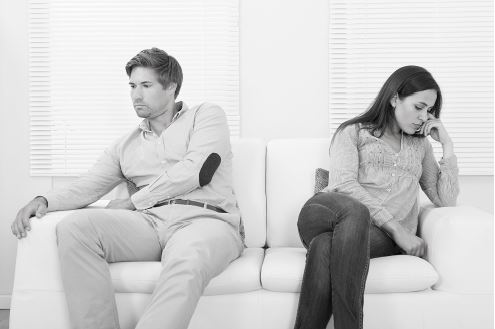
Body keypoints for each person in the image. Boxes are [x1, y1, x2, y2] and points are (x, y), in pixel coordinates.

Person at [11, 47, 244, 329]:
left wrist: (137, 200)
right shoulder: (125, 145)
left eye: (146, 85)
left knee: (188, 257)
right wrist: (44, 200)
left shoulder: (206, 116)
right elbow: (89, 185)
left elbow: (198, 170)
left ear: (171, 87)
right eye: (132, 86)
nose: (136, 94)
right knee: (75, 228)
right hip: (149, 223)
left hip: (205, 220)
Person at [294, 65, 459, 329]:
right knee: (355, 211)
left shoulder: (420, 145)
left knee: (325, 247)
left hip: (373, 237)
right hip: (324, 213)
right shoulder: (354, 132)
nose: (423, 116)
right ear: (395, 98)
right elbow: (343, 184)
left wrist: (447, 146)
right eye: (418, 107)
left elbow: (446, 200)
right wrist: (397, 229)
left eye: (429, 110)